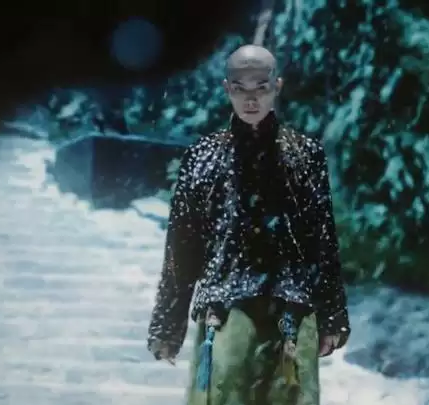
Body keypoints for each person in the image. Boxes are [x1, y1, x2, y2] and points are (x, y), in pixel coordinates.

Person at [146, 44, 351, 405]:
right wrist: (168, 322)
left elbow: (321, 238)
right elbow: (182, 245)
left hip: (291, 306)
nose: (251, 98)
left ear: (277, 86)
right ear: (228, 89)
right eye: (240, 88)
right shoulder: (202, 157)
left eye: (261, 86)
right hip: (226, 307)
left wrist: (332, 315)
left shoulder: (305, 154)